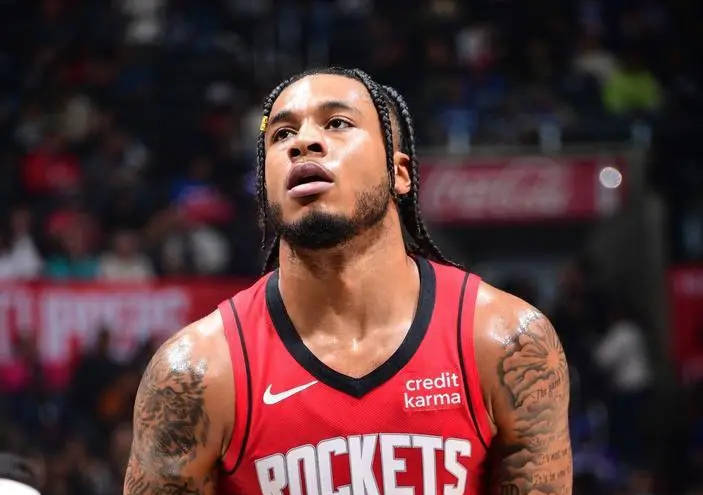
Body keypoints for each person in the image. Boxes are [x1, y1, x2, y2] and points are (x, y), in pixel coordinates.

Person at [124, 67, 572, 494]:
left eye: (337, 123)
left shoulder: (507, 343)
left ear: (399, 173)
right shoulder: (196, 373)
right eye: (281, 134)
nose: (303, 142)